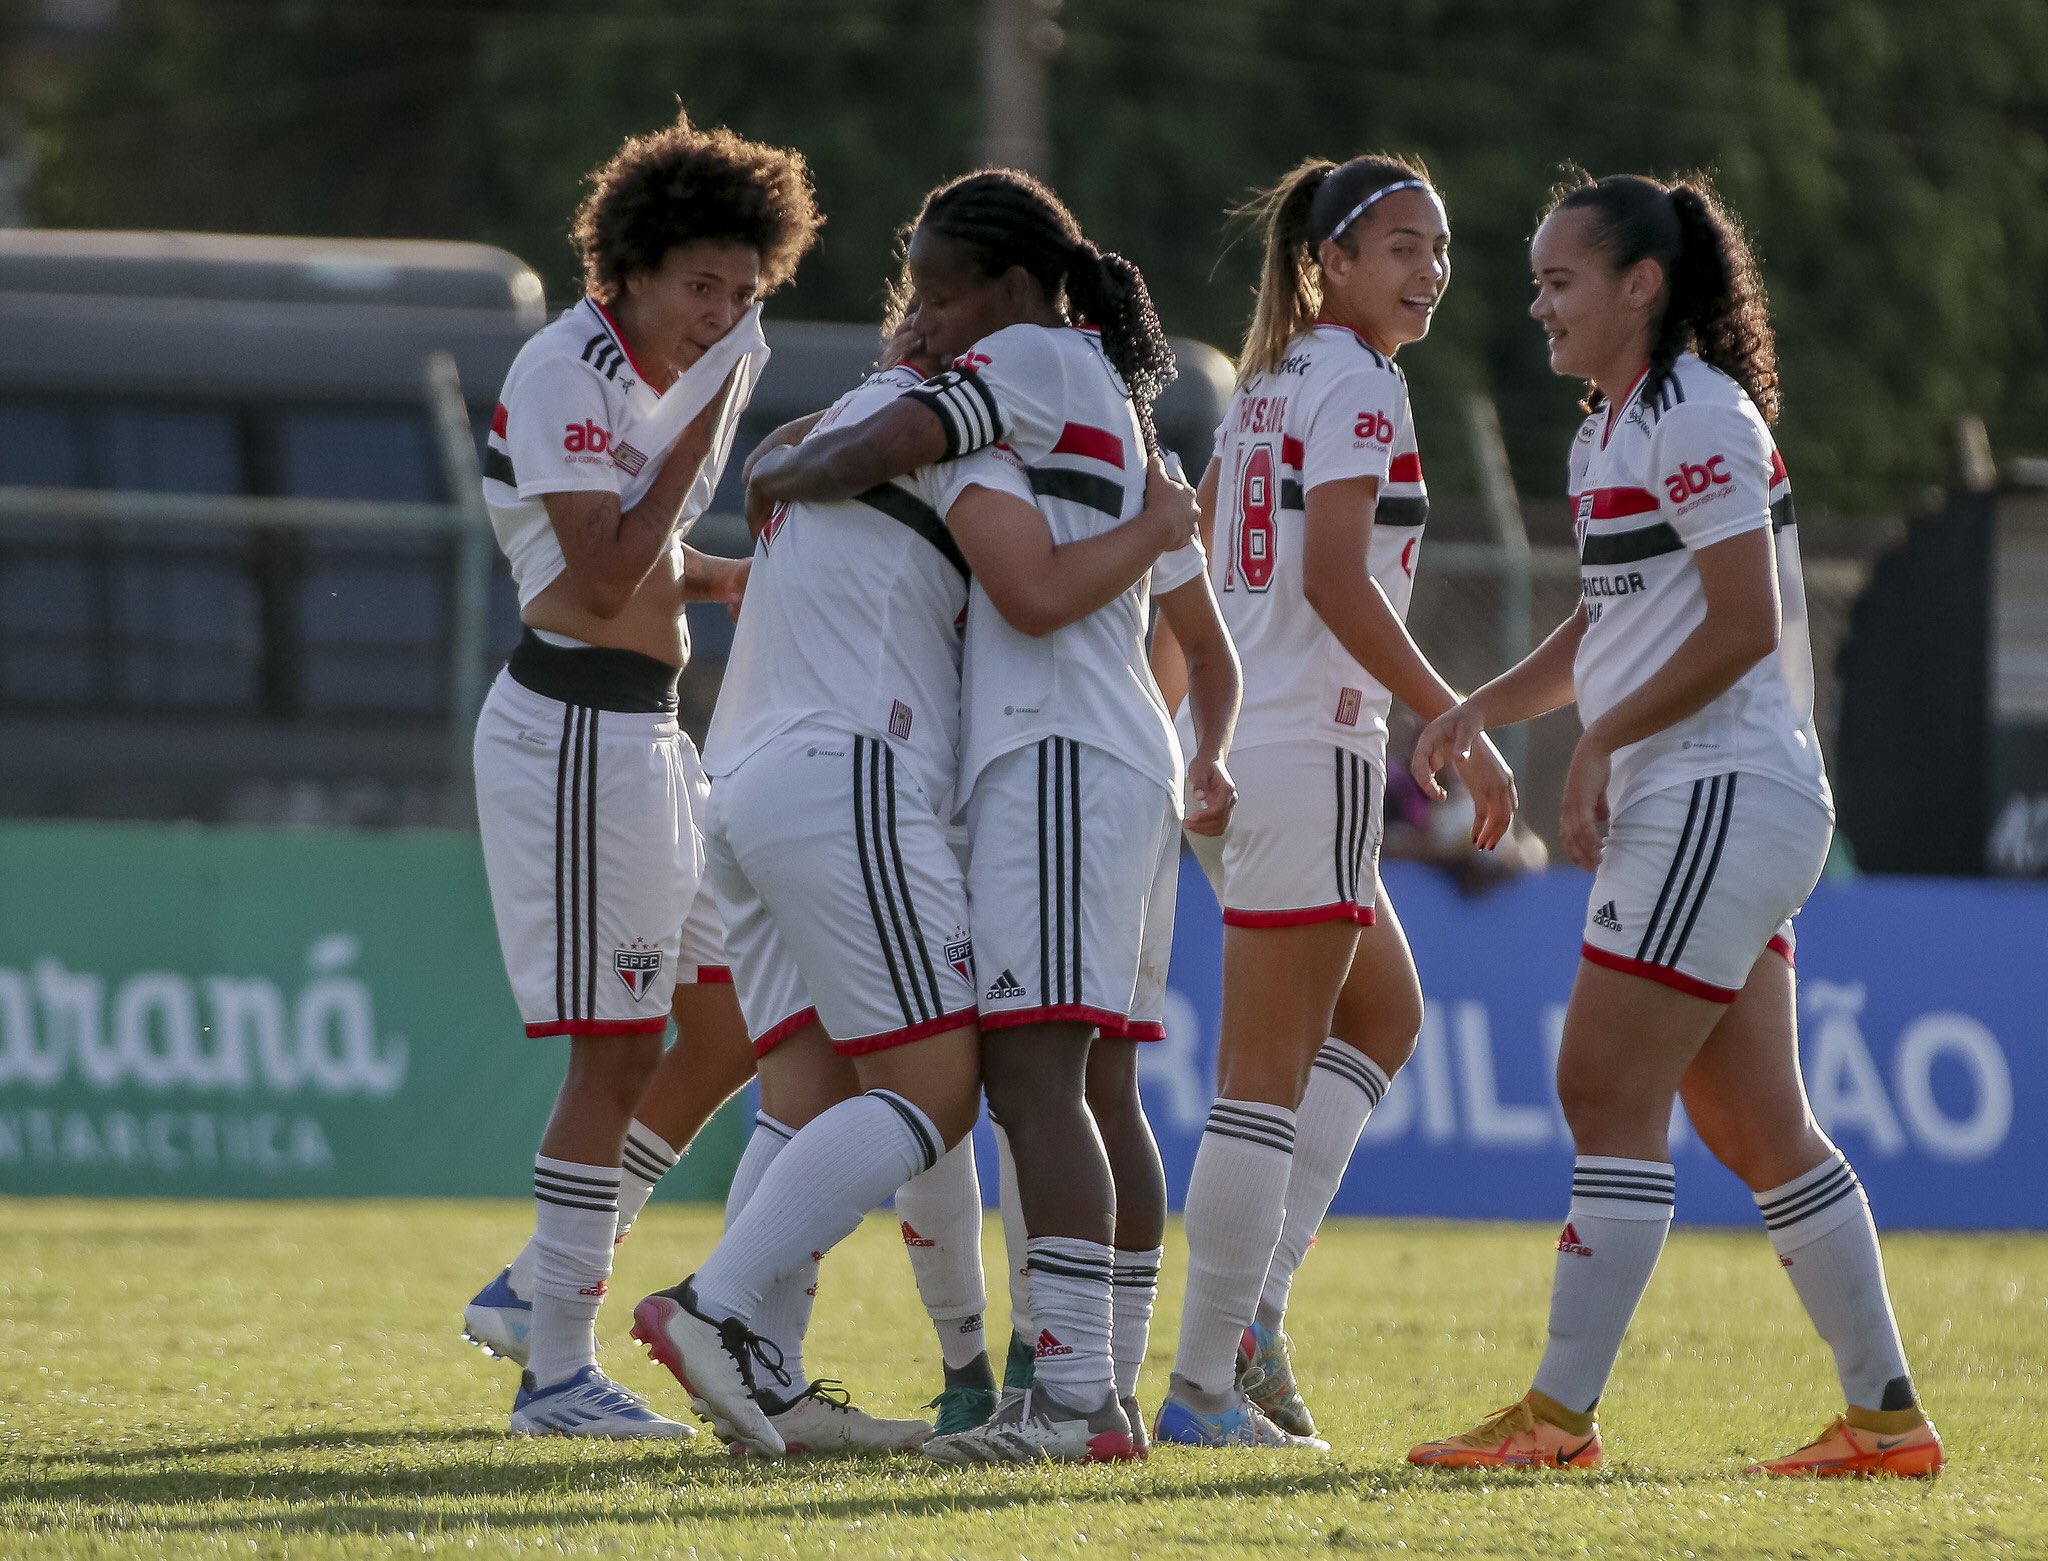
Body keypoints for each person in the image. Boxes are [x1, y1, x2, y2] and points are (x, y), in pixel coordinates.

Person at [630, 239, 1203, 1459]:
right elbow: (1032, 591)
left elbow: (785, 475)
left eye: (942, 301)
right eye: (928, 307)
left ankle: (773, 1379)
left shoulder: (866, 411)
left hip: (741, 780)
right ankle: (722, 1310)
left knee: (810, 1095)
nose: (936, 327)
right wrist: (1154, 528)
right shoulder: (961, 429)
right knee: (945, 1088)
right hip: (855, 771)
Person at [1406, 172, 1940, 1477]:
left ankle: (1556, 1421)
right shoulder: (1608, 432)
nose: (1538, 306)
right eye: (1536, 282)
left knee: (1601, 1082)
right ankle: (1886, 1422)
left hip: (1721, 790)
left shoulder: (1700, 413)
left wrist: (1601, 738)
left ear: (1641, 284)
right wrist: (1482, 702)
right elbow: (1611, 622)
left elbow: (1745, 622)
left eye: (1558, 281)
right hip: (1711, 796)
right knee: (1757, 1124)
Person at [1148, 154, 1515, 1449]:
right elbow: (1342, 588)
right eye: (1403, 246)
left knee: (1385, 1006)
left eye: (1442, 247)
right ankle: (1202, 1386)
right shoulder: (1356, 383)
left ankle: (1250, 1316)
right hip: (1310, 747)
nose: (1431, 270)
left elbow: (1193, 569)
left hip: (1246, 746)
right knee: (1259, 1078)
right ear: (1332, 264)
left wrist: (1186, 726)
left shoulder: (1271, 383)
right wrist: (1453, 721)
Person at [467, 108, 820, 1438]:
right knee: (613, 1051)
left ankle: (532, 1291)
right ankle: (557, 1372)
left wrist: (750, 579)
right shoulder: (570, 363)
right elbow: (603, 569)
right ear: (628, 266)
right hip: (568, 736)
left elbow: (651, 571)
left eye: (744, 291)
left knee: (730, 1022)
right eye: (701, 287)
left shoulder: (656, 371)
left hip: (648, 734)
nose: (722, 311)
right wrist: (718, 403)